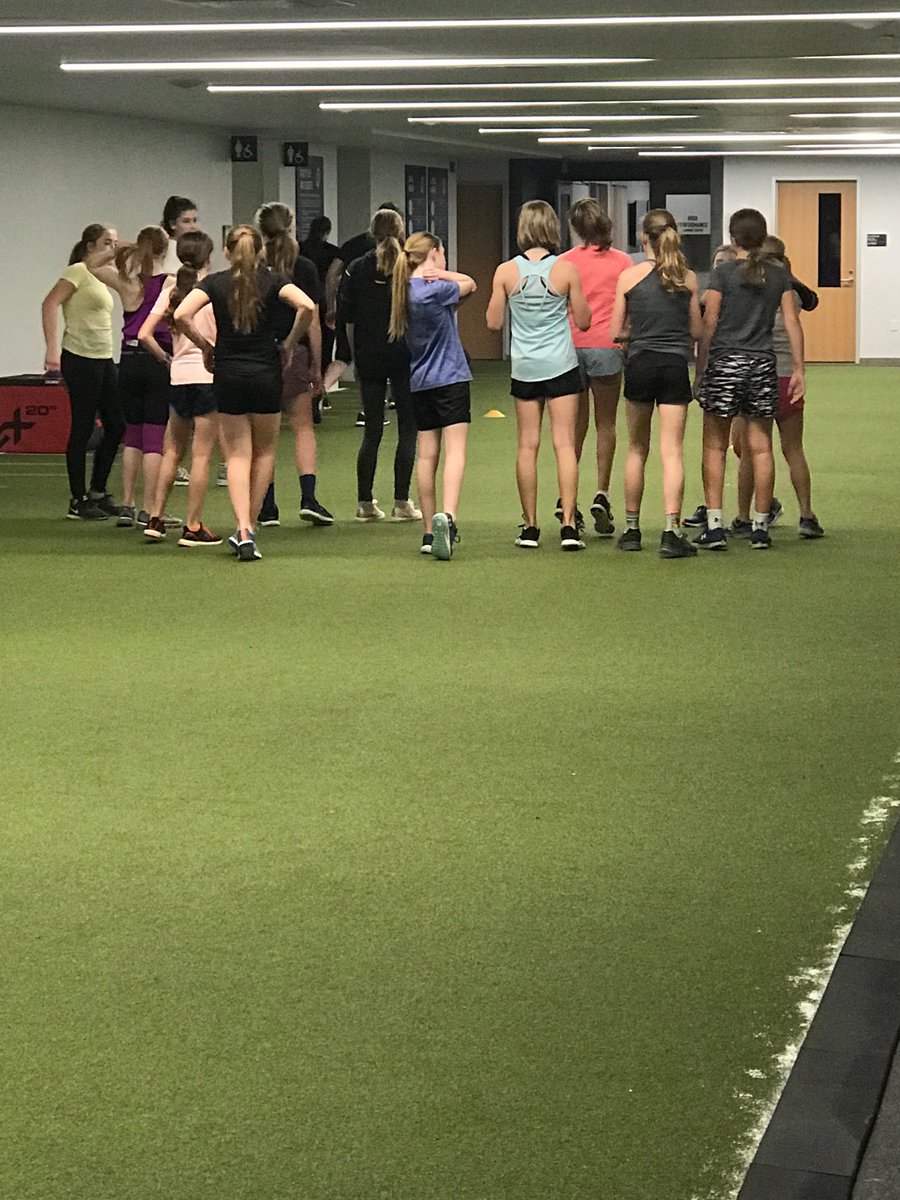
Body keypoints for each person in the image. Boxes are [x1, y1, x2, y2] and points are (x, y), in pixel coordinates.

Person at [173, 224, 316, 562]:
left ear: (226, 251)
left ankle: (242, 526)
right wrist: (290, 344)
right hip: (266, 373)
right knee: (265, 453)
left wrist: (206, 347)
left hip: (229, 374)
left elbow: (180, 314)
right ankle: (248, 527)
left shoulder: (215, 282)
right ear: (261, 252)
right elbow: (307, 306)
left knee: (237, 455)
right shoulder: (273, 281)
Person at [693, 208, 805, 551]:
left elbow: (709, 321)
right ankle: (759, 527)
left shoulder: (722, 274)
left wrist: (701, 367)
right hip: (762, 365)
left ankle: (714, 526)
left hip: (726, 361)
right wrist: (799, 367)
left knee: (715, 445)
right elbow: (791, 321)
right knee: (761, 446)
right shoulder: (778, 275)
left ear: (733, 237)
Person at [486, 200, 592, 552]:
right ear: (552, 229)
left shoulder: (505, 272)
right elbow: (584, 320)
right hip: (561, 365)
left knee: (527, 445)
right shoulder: (566, 270)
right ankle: (568, 525)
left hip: (526, 367)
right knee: (564, 444)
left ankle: (530, 527)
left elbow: (493, 322)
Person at [609, 209, 703, 559]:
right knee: (672, 451)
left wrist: (639, 331)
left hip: (640, 364)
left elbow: (615, 332)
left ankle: (632, 529)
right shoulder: (688, 279)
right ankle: (671, 530)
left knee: (636, 448)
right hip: (674, 364)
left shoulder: (628, 278)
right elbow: (695, 331)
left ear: (642, 238)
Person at [729, 236, 824, 539]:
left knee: (752, 451)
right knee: (793, 449)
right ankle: (807, 515)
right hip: (785, 378)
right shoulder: (790, 291)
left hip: (756, 374)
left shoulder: (749, 288)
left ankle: (745, 517)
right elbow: (812, 300)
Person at [389, 232, 475, 560]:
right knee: (455, 452)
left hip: (420, 382)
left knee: (427, 456)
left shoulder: (402, 293)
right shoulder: (437, 288)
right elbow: (470, 283)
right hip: (451, 378)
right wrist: (443, 274)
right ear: (434, 254)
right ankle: (448, 519)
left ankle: (428, 529)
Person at [87, 225, 176, 528]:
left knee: (132, 436)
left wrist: (120, 247)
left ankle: (127, 503)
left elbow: (92, 264)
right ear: (166, 250)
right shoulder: (170, 284)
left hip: (128, 362)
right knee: (154, 438)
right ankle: (151, 508)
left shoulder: (126, 283)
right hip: (157, 359)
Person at [138, 230, 221, 546]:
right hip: (208, 377)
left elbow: (144, 333)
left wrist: (168, 359)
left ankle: (155, 517)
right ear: (208, 257)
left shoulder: (171, 288)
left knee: (171, 449)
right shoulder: (212, 287)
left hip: (179, 378)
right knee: (201, 455)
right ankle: (194, 526)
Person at [339, 208, 421, 524]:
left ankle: (365, 503)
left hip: (370, 355)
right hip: (405, 354)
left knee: (372, 431)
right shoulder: (410, 266)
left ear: (371, 233)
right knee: (408, 430)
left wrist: (356, 352)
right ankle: (402, 502)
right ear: (401, 232)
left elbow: (347, 317)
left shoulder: (357, 268)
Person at [255, 201, 333, 527]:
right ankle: (309, 497)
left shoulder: (253, 271)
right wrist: (316, 364)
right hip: (295, 353)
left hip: (259, 355)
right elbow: (311, 320)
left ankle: (267, 505)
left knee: (264, 436)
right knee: (302, 426)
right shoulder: (303, 267)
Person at [41, 223, 125, 520]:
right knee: (83, 427)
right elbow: (50, 303)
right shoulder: (77, 271)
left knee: (117, 424)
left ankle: (98, 491)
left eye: (114, 242)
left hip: (104, 358)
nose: (112, 247)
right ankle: (78, 499)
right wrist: (52, 349)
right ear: (90, 245)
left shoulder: (103, 276)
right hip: (79, 357)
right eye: (106, 242)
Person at [561, 198, 632, 538]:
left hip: (570, 348)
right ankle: (602, 491)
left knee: (574, 427)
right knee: (606, 424)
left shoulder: (564, 263)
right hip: (607, 346)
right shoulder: (622, 262)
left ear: (575, 228)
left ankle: (567, 497)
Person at [299, 215, 341, 377]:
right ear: (327, 232)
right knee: (325, 346)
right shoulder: (332, 252)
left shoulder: (300, 249)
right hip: (323, 301)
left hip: (301, 299)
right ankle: (321, 382)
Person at [161, 196, 199, 275]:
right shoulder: (167, 252)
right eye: (186, 221)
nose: (193, 227)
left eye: (195, 220)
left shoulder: (191, 250)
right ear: (172, 224)